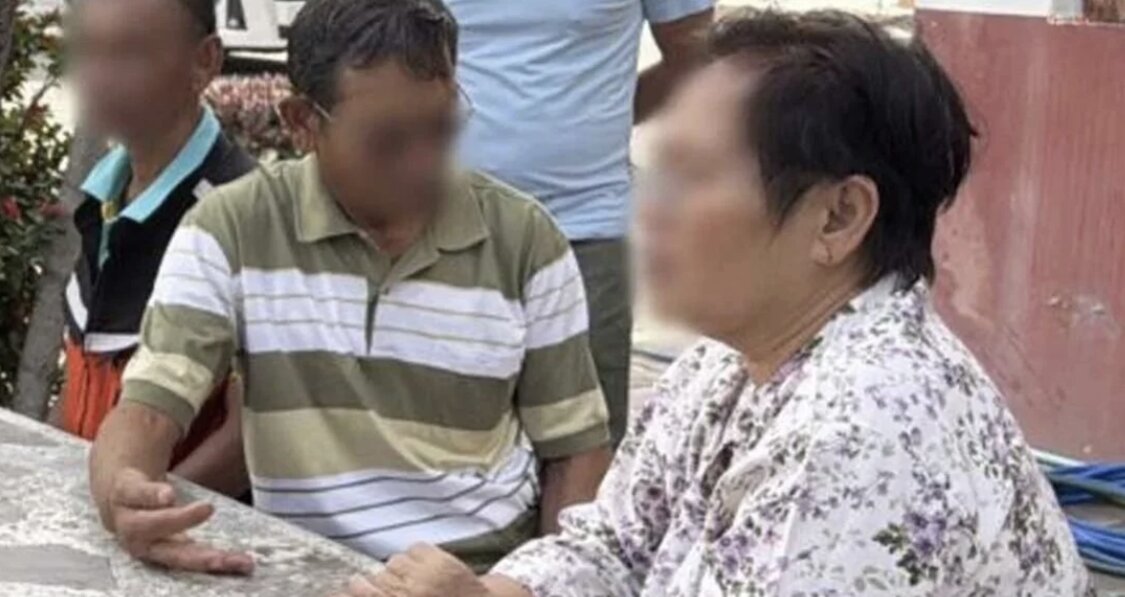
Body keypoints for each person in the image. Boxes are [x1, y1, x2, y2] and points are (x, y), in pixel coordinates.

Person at [336, 10, 1092, 597]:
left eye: (693, 177)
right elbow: (614, 545)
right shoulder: (727, 363)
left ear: (837, 217)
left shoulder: (865, 428)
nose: (651, 208)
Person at [87, 0, 612, 576]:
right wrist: (124, 493)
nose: (423, 162)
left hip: (479, 571)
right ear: (302, 123)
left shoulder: (525, 240)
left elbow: (574, 451)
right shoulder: (231, 228)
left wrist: (535, 585)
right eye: (387, 141)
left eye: (442, 127)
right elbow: (149, 407)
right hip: (302, 569)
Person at [446, 0, 715, 448]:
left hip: (587, 227)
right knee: (442, 433)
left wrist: (605, 120)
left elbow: (695, 56)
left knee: (584, 441)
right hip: (443, 226)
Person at [61, 0, 255, 496]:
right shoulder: (102, 198)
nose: (99, 77)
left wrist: (135, 508)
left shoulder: (243, 215)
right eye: (89, 50)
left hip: (186, 521)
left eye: (130, 53)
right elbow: (81, 376)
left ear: (205, 61)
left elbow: (251, 436)